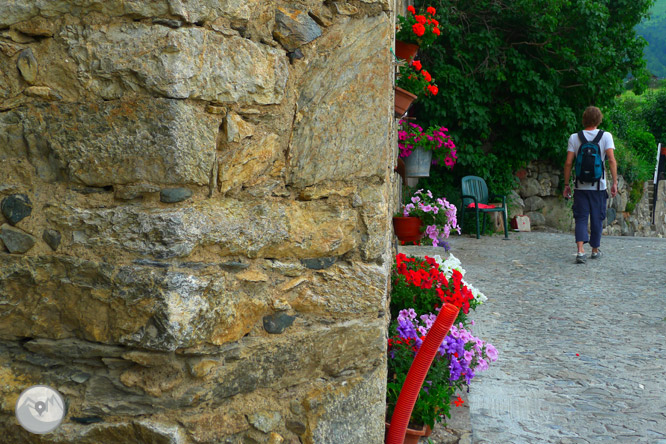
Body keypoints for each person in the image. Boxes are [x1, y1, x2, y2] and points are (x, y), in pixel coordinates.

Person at [563, 106, 618, 264]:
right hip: (598, 187)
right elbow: (612, 160)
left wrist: (567, 184)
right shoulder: (605, 136)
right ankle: (595, 249)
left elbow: (568, 163)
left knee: (580, 218)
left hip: (580, 186)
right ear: (599, 119)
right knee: (597, 217)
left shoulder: (574, 137)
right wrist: (614, 182)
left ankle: (580, 251)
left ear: (584, 119)